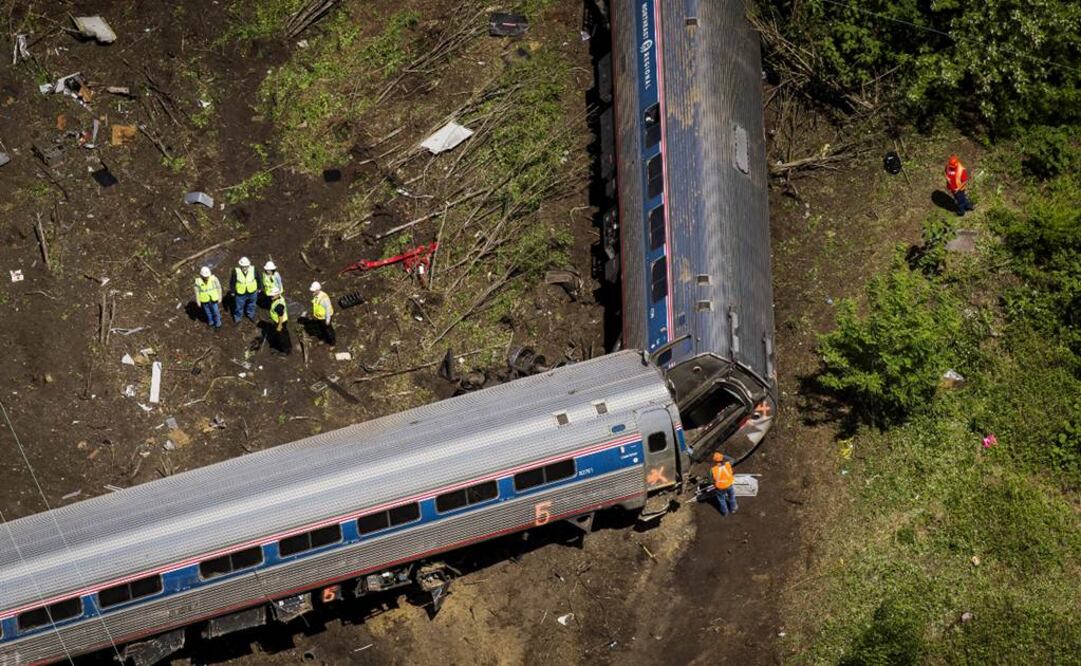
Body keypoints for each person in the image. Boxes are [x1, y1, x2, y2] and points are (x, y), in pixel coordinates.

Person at [231, 256, 259, 324]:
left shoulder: (254, 269)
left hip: (252, 291)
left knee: (252, 304)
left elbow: (258, 278)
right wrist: (232, 291)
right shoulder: (236, 271)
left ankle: (251, 314)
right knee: (239, 306)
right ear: (240, 265)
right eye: (243, 266)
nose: (244, 268)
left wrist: (259, 287)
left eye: (246, 266)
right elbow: (232, 282)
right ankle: (238, 317)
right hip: (240, 292)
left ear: (249, 265)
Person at [193, 266, 222, 330]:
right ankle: (211, 322)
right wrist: (198, 301)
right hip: (205, 300)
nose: (206, 277)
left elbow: (219, 288)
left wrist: (220, 297)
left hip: (213, 299)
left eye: (207, 276)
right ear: (201, 275)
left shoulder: (214, 279)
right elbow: (197, 292)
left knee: (216, 312)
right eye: (204, 276)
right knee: (208, 313)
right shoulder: (198, 282)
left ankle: (218, 324)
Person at [710, 451, 738, 516]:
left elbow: (710, 480)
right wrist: (723, 456)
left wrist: (715, 483)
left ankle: (725, 512)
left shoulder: (712, 470)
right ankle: (733, 509)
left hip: (720, 488)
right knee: (731, 496)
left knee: (722, 500)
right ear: (722, 459)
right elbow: (733, 460)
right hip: (729, 485)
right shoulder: (727, 464)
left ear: (714, 461)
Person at [310, 281, 336, 346]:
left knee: (328, 330)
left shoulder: (324, 299)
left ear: (318, 290)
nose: (312, 292)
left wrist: (327, 320)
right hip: (320, 317)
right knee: (322, 329)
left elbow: (328, 309)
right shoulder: (316, 296)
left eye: (313, 291)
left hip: (325, 317)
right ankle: (325, 338)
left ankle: (332, 342)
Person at [267, 287, 292, 355]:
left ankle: (285, 350)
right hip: (281, 321)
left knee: (282, 336)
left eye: (273, 295)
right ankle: (287, 347)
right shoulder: (280, 298)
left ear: (277, 294)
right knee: (284, 333)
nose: (271, 296)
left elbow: (280, 315)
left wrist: (279, 325)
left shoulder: (278, 305)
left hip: (280, 322)